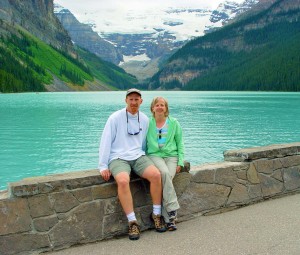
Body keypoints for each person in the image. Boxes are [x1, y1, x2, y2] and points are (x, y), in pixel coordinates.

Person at [98, 88, 166, 241]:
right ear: (126, 100)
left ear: (141, 101)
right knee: (122, 180)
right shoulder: (115, 118)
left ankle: (156, 214)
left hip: (138, 156)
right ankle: (132, 222)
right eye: (131, 99)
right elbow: (105, 141)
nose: (134, 102)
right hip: (118, 157)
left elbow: (143, 143)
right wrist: (103, 166)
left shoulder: (145, 119)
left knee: (156, 175)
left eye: (137, 99)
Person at [146, 96, 184, 231]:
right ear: (153, 108)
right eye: (157, 105)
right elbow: (142, 142)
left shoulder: (174, 123)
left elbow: (180, 143)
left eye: (162, 105)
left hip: (171, 156)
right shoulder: (147, 122)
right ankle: (172, 211)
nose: (160, 107)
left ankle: (167, 219)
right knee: (165, 173)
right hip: (155, 155)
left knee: (165, 179)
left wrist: (180, 161)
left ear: (166, 108)